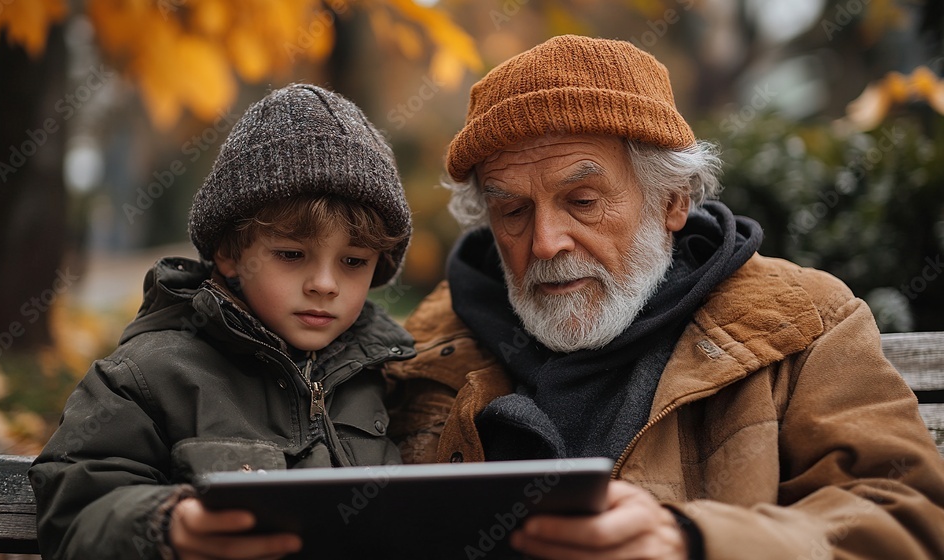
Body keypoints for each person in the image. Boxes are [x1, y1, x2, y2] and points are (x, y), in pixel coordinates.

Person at [386, 35, 944, 559]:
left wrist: (695, 541)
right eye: (512, 211)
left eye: (582, 201)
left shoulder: (805, 323)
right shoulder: (417, 353)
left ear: (672, 202)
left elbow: (906, 516)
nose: (546, 243)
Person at [30, 83, 415, 560]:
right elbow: (75, 505)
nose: (324, 283)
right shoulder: (148, 375)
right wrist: (163, 526)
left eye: (353, 262)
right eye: (292, 255)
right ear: (230, 255)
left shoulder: (385, 377)